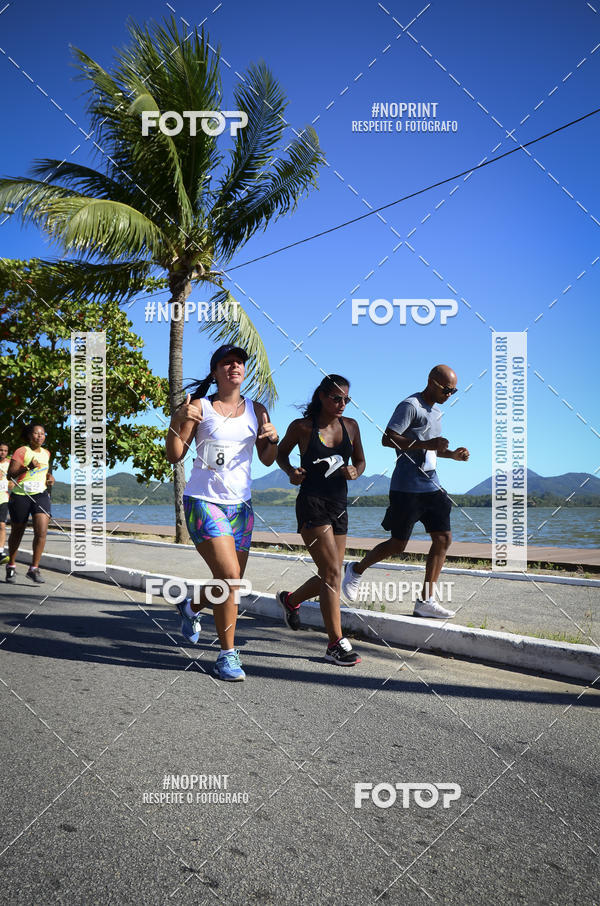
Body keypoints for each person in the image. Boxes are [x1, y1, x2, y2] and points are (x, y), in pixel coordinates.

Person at [166, 345, 279, 682]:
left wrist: (273, 439)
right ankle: (227, 655)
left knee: (228, 583)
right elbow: (174, 454)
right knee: (230, 576)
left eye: (240, 362)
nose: (235, 366)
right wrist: (178, 418)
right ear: (215, 371)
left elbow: (268, 460)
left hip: (241, 507)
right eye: (228, 362)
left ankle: (191, 606)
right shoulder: (200, 407)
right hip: (203, 500)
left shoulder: (257, 410)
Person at [342, 365, 469, 618]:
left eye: (454, 391)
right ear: (432, 382)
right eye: (447, 389)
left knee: (443, 539)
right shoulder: (410, 405)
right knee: (398, 544)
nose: (449, 394)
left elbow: (430, 450)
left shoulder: (437, 413)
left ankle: (426, 600)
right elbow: (388, 438)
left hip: (432, 486)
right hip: (406, 488)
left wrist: (452, 455)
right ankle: (356, 569)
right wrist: (426, 443)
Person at [276, 374, 366, 666]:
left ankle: (291, 600)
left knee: (332, 574)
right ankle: (334, 643)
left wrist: (356, 471)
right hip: (311, 504)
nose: (341, 404)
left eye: (346, 399)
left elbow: (361, 461)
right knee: (331, 573)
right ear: (321, 397)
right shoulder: (302, 427)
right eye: (336, 398)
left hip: (339, 505)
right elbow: (280, 454)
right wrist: (291, 472)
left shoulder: (351, 426)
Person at [5, 423, 55, 584]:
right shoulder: (22, 451)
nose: (40, 436)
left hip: (40, 495)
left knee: (41, 531)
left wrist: (50, 477)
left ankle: (34, 568)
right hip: (21, 495)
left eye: (43, 434)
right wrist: (27, 467)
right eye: (36, 433)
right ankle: (11, 565)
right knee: (17, 531)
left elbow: (44, 470)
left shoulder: (46, 453)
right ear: (29, 435)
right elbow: (10, 475)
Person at [0, 443, 13, 564]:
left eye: (5, 450)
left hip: (3, 498)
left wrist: (11, 484)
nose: (2, 452)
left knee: (2, 525)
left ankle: (0, 551)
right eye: (0, 450)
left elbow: (14, 479)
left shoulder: (10, 464)